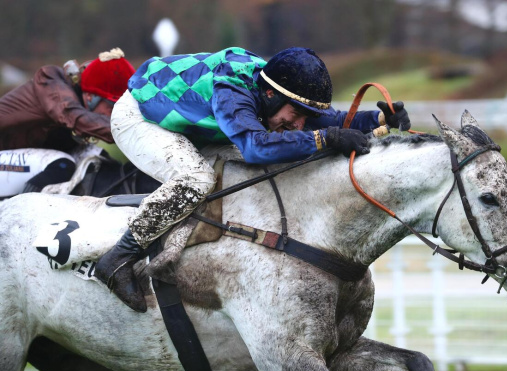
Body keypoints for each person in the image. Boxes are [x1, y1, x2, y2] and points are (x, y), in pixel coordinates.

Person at [97, 46, 411, 312]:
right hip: (139, 117)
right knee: (197, 179)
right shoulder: (232, 90)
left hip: (187, 121)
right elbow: (255, 147)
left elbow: (326, 120)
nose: (298, 123)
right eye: (295, 114)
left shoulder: (273, 90)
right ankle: (119, 258)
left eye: (303, 115)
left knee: (269, 160)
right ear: (270, 95)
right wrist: (324, 139)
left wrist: (379, 118)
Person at [0, 48, 135, 194]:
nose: (116, 114)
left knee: (105, 163)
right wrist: (132, 130)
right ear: (90, 96)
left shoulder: (76, 94)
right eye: (112, 107)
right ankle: (21, 209)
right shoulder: (50, 83)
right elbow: (76, 117)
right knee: (61, 165)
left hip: (19, 158)